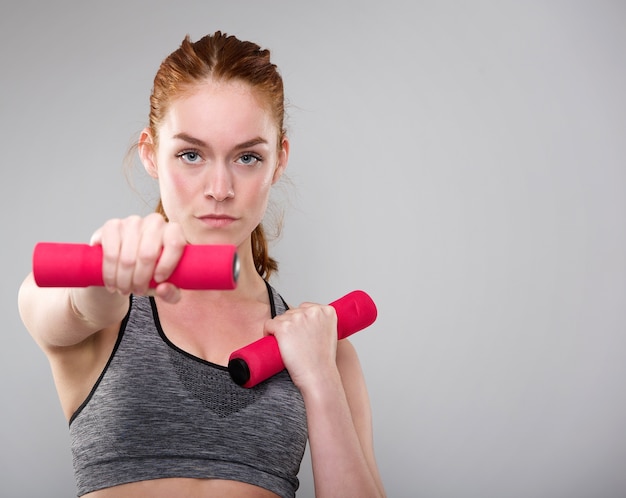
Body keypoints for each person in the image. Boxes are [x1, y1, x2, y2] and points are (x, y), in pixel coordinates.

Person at [18, 31, 386, 498]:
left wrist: (319, 377)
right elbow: (71, 305)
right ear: (151, 153)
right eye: (191, 155)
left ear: (278, 161)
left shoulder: (324, 345)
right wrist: (104, 272)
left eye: (247, 157)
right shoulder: (101, 306)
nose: (219, 187)